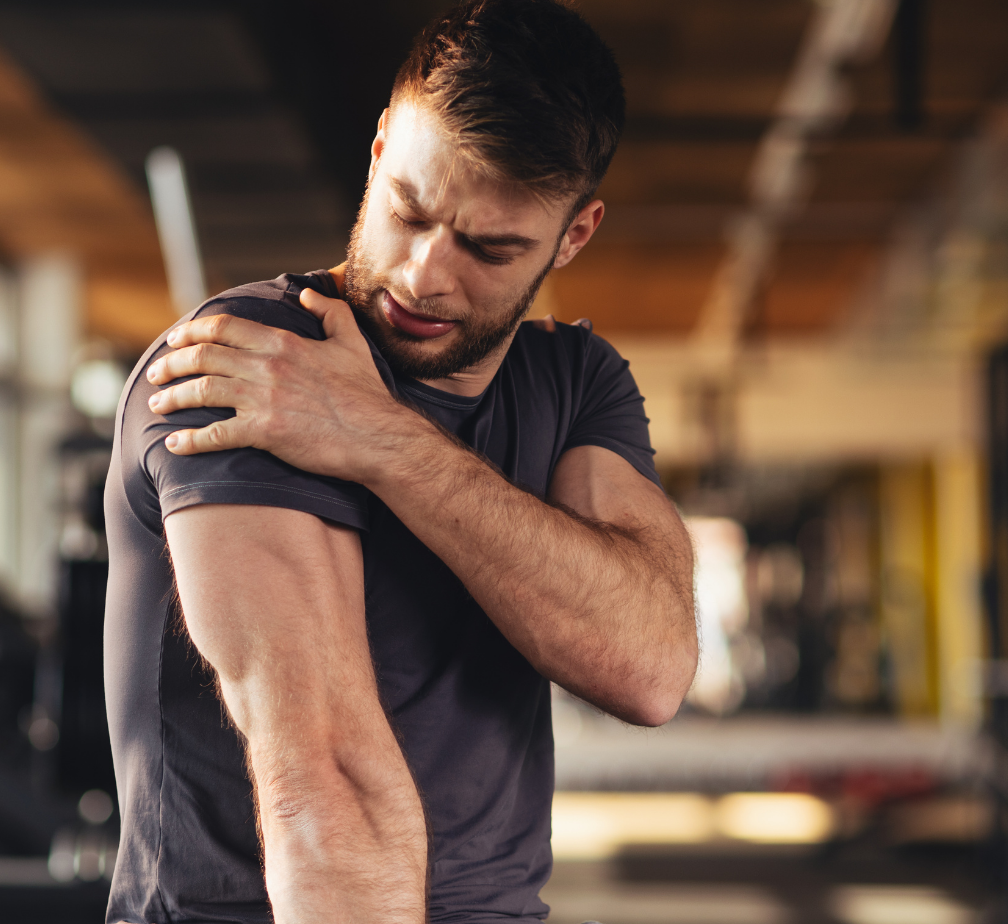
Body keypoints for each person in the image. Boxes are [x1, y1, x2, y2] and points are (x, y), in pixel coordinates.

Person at [102, 1, 697, 921]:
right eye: (409, 212)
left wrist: (380, 440)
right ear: (380, 151)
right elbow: (322, 784)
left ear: (573, 236)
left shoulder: (574, 381)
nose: (424, 274)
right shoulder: (253, 363)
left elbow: (650, 666)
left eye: (490, 248)